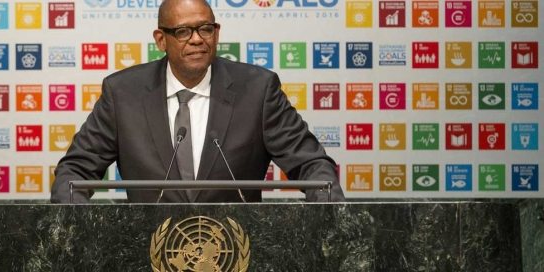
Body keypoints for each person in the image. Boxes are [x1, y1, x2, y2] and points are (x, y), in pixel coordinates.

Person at [50, 0, 345, 203]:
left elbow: (312, 165)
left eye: (205, 29)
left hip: (236, 253)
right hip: (145, 252)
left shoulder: (257, 90)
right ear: (161, 39)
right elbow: (74, 172)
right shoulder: (122, 94)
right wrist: (78, 229)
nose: (196, 39)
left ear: (216, 34)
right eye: (182, 31)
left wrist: (335, 215)